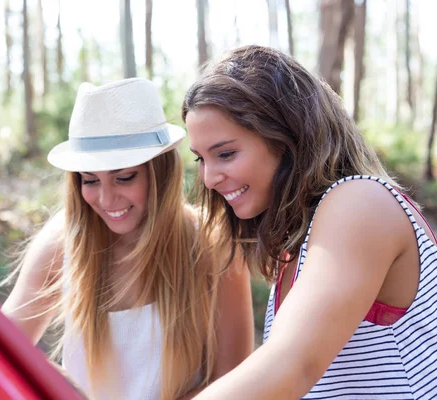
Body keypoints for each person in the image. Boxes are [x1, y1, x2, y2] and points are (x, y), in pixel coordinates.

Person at [182, 45, 437, 399]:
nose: (209, 178)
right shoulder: (297, 247)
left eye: (225, 154)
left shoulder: (360, 202)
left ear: (288, 138)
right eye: (201, 159)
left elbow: (291, 367)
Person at [1, 78, 254, 400]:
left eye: (124, 177)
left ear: (160, 172)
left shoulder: (211, 243)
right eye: (89, 180)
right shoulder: (63, 241)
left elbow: (237, 380)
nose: (106, 199)